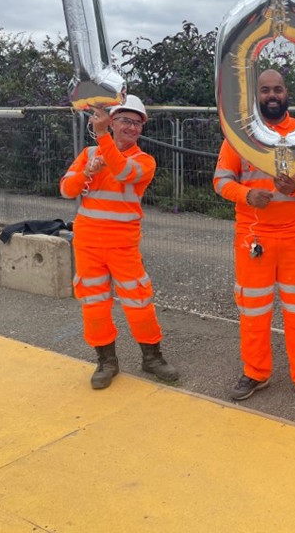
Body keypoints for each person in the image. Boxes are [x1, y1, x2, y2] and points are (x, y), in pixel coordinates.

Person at [213, 69, 295, 408]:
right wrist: (248, 196)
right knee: (254, 310)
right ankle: (256, 372)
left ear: (287, 92)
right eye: (265, 90)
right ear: (256, 95)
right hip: (254, 239)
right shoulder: (239, 135)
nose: (272, 95)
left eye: (277, 89)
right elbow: (220, 182)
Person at [60, 94, 179, 389]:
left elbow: (124, 173)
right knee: (94, 303)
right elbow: (66, 189)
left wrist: (102, 138)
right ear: (112, 122)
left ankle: (151, 357)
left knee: (139, 301)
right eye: (126, 120)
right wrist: (86, 173)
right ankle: (106, 362)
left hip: (122, 244)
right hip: (88, 241)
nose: (132, 127)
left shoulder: (144, 161)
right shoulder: (90, 154)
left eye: (137, 123)